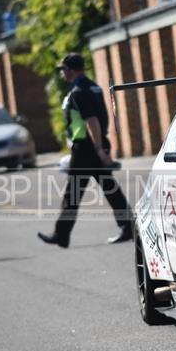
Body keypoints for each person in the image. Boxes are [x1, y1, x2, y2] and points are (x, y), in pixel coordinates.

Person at [38, 53, 133, 248]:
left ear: (71, 70)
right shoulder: (93, 86)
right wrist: (102, 146)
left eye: (63, 69)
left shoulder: (78, 91)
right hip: (95, 144)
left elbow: (91, 121)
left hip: (86, 148)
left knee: (73, 193)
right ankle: (128, 227)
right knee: (110, 188)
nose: (62, 73)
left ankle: (61, 235)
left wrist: (98, 148)